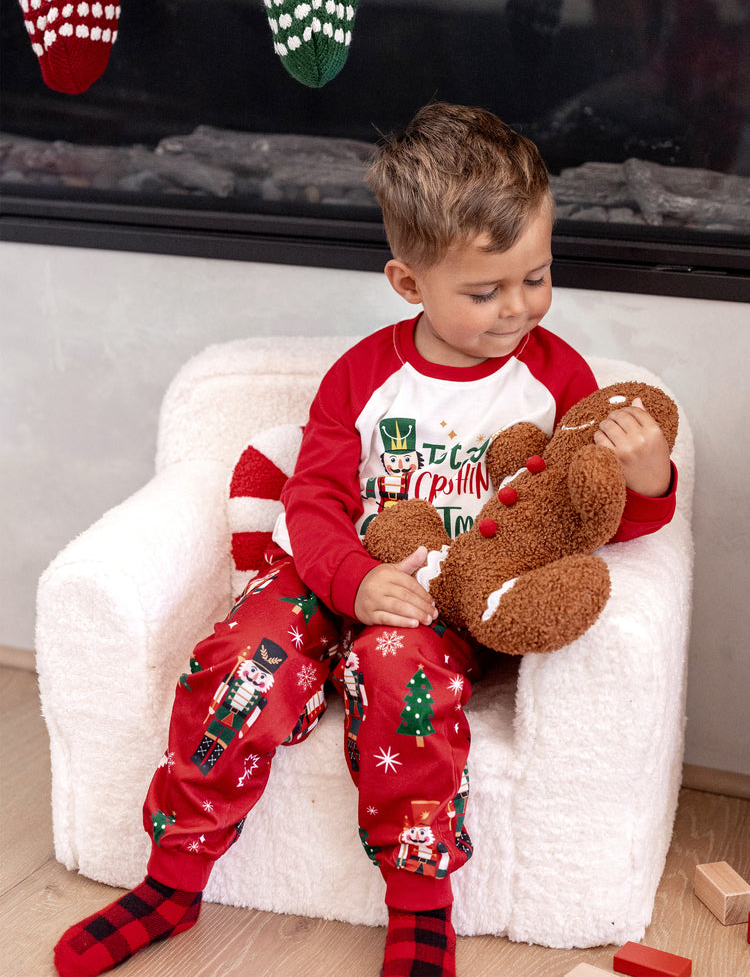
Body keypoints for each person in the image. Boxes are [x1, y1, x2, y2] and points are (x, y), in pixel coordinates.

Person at [53, 102, 676, 977]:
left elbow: (592, 511)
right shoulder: (363, 377)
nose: (517, 309)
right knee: (238, 665)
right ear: (408, 283)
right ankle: (172, 879)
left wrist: (648, 479)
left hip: (451, 602)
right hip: (334, 573)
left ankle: (420, 905)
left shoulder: (557, 378)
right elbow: (310, 502)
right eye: (484, 290)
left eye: (536, 277)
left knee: (398, 671)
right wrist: (351, 580)